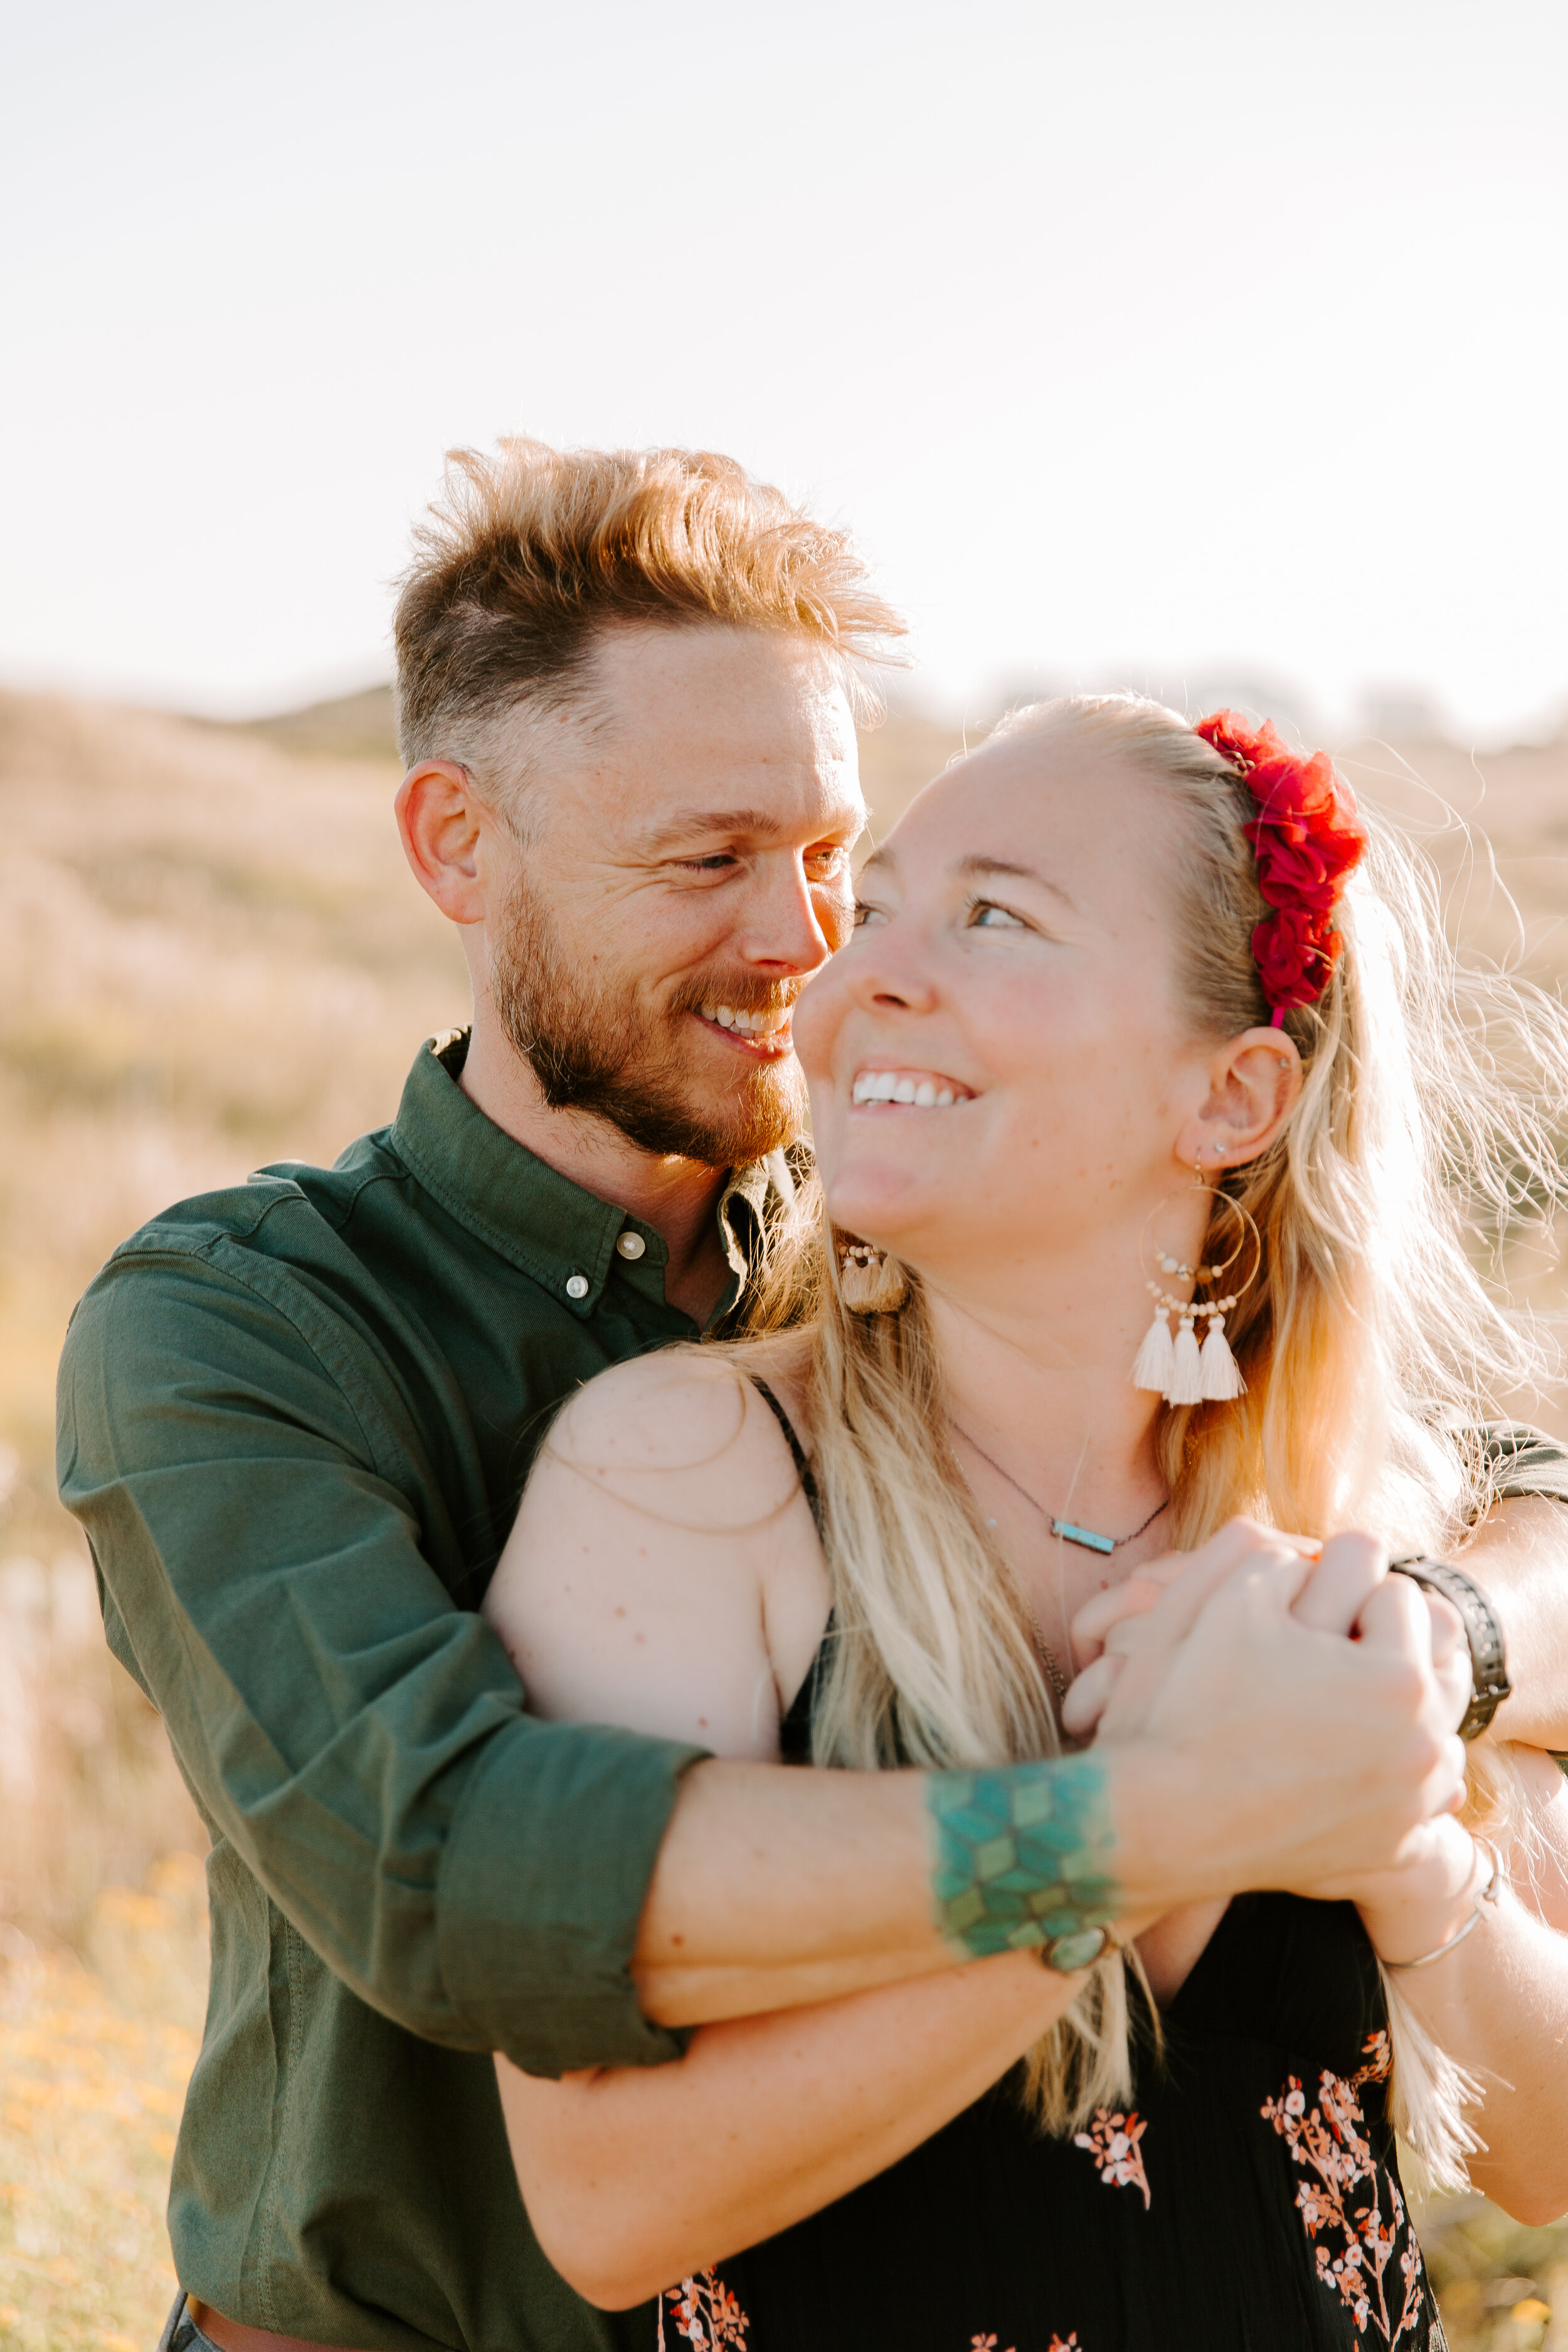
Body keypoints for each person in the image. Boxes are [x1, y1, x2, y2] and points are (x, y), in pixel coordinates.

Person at [52, 440, 1568, 2352]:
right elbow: (454, 1868)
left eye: (832, 861)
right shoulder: (248, 1326)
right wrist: (1165, 1814)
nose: (805, 946)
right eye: (705, 862)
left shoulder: (925, 1254)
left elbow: (1500, 1491)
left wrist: (1421, 1647)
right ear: (455, 844)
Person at [485, 694, 1568, 2349]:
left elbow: (1541, 2164)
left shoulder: (1356, 1517)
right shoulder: (692, 1477)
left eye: (992, 915)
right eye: (882, 909)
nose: (855, 976)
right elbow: (605, 2203)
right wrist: (1173, 1822)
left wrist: (1402, 1854)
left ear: (1231, 1097)